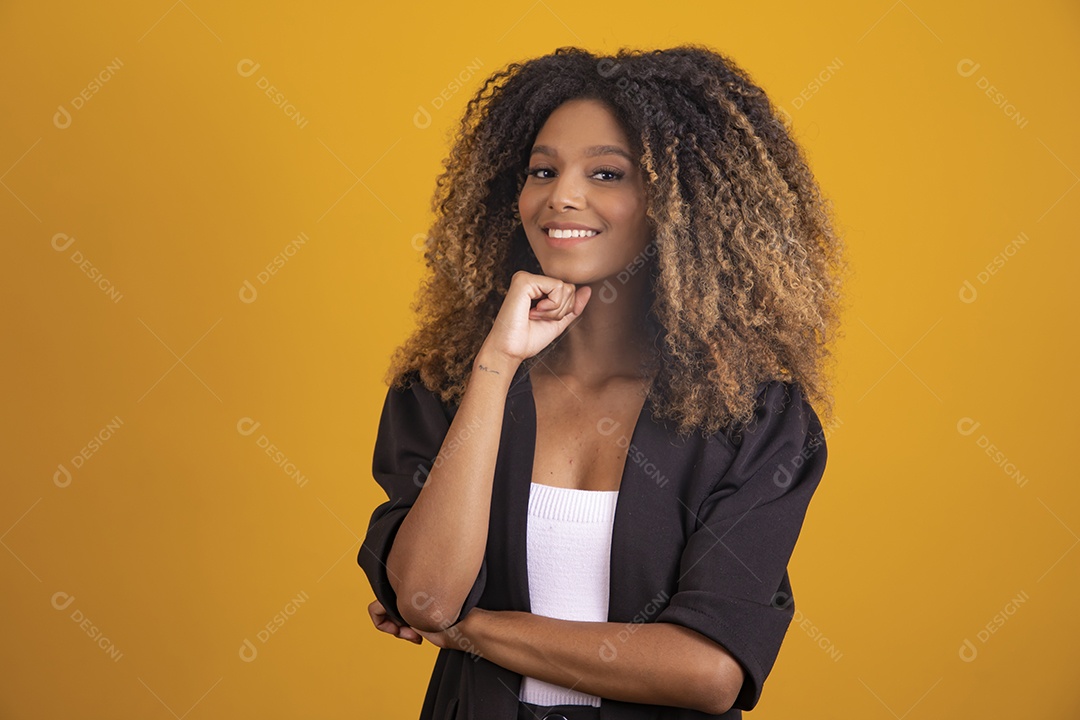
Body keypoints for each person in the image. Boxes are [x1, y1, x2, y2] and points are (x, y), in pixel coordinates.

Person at [359, 44, 848, 720]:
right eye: (542, 170)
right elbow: (429, 597)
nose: (562, 195)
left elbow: (707, 671)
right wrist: (495, 367)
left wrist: (474, 631)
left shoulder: (752, 417)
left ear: (679, 203)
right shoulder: (444, 389)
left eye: (607, 173)